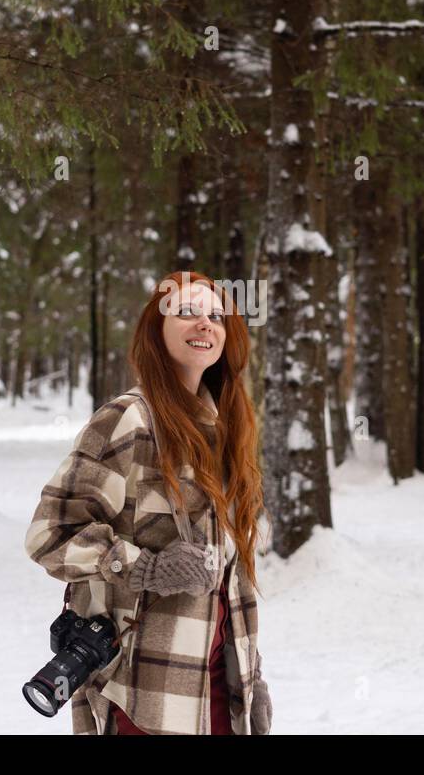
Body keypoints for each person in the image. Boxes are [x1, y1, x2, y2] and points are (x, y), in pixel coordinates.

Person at [25, 270, 273, 734]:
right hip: (146, 700)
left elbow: (228, 580)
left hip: (218, 695)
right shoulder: (129, 420)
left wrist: (252, 681)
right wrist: (145, 568)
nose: (205, 323)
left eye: (217, 316)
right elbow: (50, 535)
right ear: (155, 333)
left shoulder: (225, 433)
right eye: (187, 312)